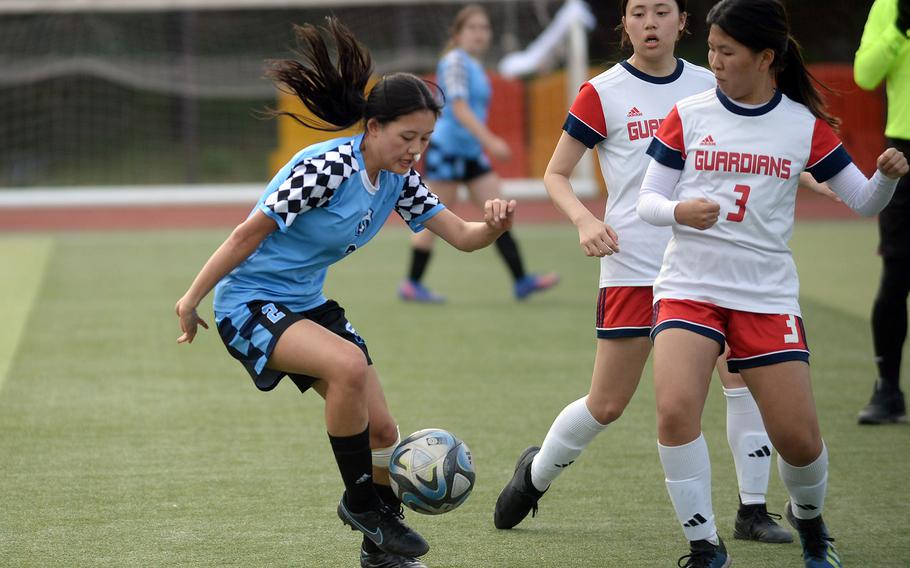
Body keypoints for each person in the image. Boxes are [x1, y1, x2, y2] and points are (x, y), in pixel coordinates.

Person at [173, 18, 518, 568]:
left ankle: (378, 549)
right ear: (374, 127)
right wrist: (191, 298)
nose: (417, 150)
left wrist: (494, 227)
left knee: (383, 428)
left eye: (425, 139)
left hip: (306, 304)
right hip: (249, 304)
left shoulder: (401, 180)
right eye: (408, 137)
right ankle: (364, 506)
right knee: (348, 368)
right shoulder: (327, 168)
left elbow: (463, 237)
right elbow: (246, 235)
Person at [493, 0, 792, 547]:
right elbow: (556, 174)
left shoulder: (714, 83)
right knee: (607, 404)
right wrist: (585, 220)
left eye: (661, 11)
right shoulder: (602, 92)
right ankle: (535, 476)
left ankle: (753, 509)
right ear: (624, 23)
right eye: (637, 12)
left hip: (707, 266)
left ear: (683, 23)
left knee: (739, 376)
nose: (649, 22)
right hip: (631, 266)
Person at [637, 0, 908, 565]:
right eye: (710, 48)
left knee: (800, 442)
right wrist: (679, 211)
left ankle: (810, 523)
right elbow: (648, 202)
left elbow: (860, 201)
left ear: (766, 58)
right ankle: (705, 547)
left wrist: (884, 180)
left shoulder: (801, 127)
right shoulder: (687, 114)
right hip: (689, 286)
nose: (713, 60)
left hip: (765, 296)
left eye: (726, 52)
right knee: (675, 411)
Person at [398, 4, 559, 303]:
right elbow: (458, 108)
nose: (479, 34)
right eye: (472, 28)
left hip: (471, 153)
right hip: (448, 151)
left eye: (484, 28)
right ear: (457, 34)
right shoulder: (455, 62)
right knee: (432, 219)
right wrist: (492, 140)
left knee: (499, 213)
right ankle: (411, 284)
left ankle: (522, 280)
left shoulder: (475, 66)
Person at [854, 0, 910, 425]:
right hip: (904, 149)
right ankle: (888, 388)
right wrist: (899, 29)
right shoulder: (889, 6)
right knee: (897, 269)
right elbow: (866, 74)